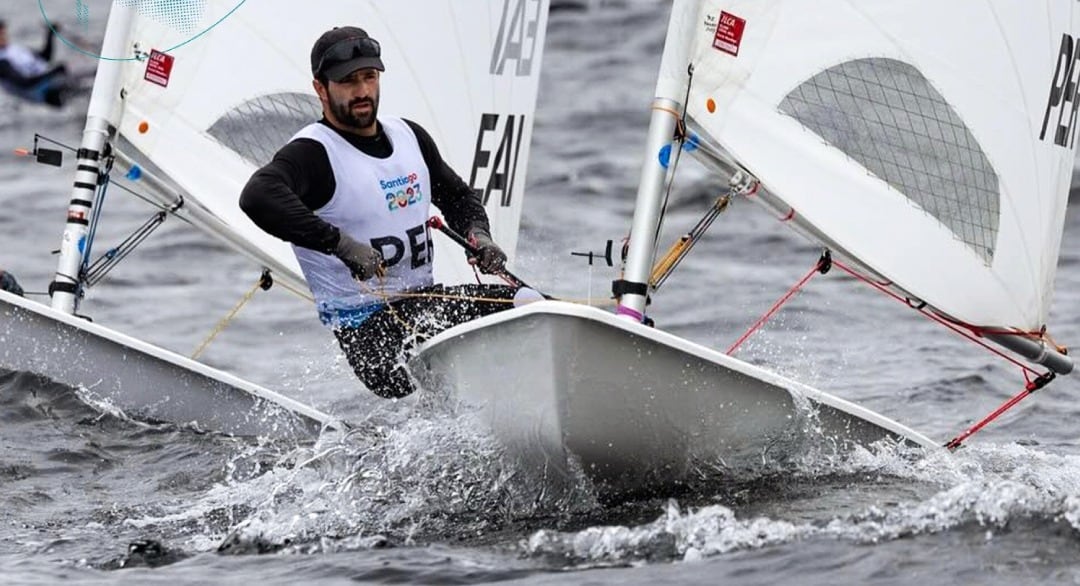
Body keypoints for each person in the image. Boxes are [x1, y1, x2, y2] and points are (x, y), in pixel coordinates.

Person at [240, 26, 521, 399]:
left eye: (369, 77)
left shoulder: (409, 136)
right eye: (347, 81)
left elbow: (458, 197)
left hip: (426, 306)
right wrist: (339, 243)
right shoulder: (313, 152)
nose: (362, 91)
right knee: (516, 316)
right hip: (370, 335)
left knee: (531, 305)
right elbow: (258, 196)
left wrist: (478, 236)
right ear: (321, 89)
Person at [0, 20, 72, 108]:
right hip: (44, 94)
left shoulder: (14, 49)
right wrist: (53, 72)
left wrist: (50, 34)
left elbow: (45, 58)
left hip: (52, 82)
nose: (3, 36)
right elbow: (25, 83)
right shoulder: (2, 63)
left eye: (3, 33)